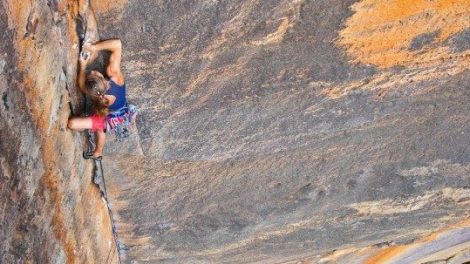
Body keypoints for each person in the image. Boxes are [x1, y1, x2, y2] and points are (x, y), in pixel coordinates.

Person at [68, 39, 126, 160]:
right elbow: (117, 45)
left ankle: (98, 152)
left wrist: (83, 67)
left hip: (114, 116)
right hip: (110, 112)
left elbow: (82, 86)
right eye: (95, 73)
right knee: (98, 125)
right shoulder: (115, 76)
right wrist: (94, 47)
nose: (94, 70)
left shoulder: (95, 94)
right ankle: (98, 152)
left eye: (94, 72)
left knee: (73, 123)